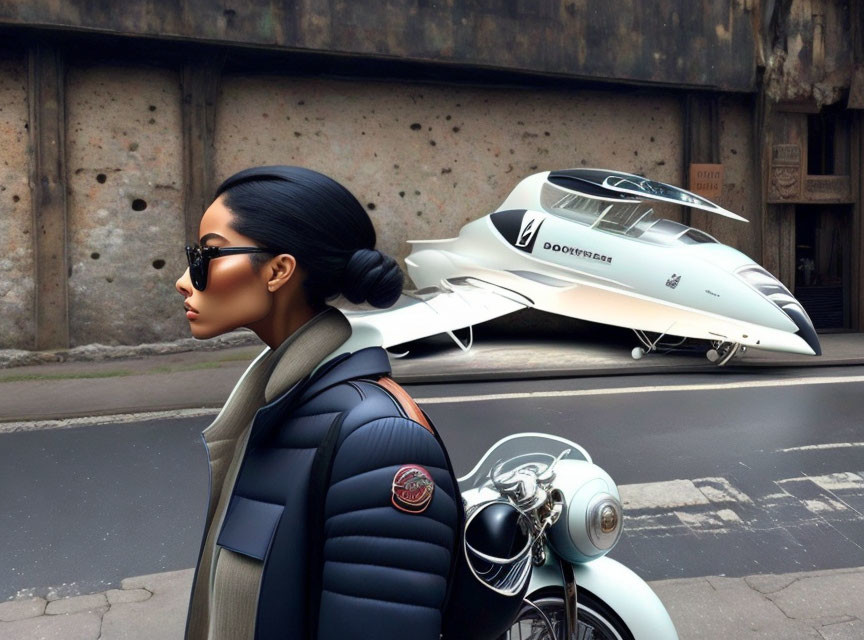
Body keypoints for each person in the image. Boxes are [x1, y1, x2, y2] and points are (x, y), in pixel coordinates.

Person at [174, 166, 462, 640]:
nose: (185, 280)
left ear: (278, 271)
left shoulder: (378, 440)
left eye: (210, 254)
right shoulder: (274, 404)